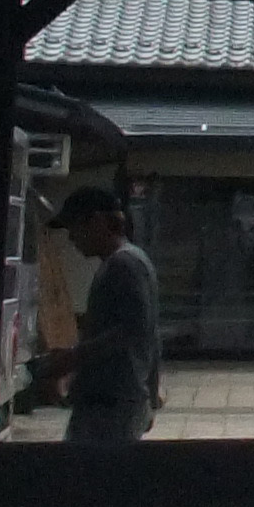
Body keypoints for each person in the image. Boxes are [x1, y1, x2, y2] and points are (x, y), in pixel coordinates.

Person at [58, 189, 162, 443]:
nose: (71, 238)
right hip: (112, 401)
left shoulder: (124, 264)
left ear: (97, 221)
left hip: (111, 405)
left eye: (74, 227)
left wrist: (72, 358)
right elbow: (149, 332)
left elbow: (133, 328)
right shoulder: (127, 261)